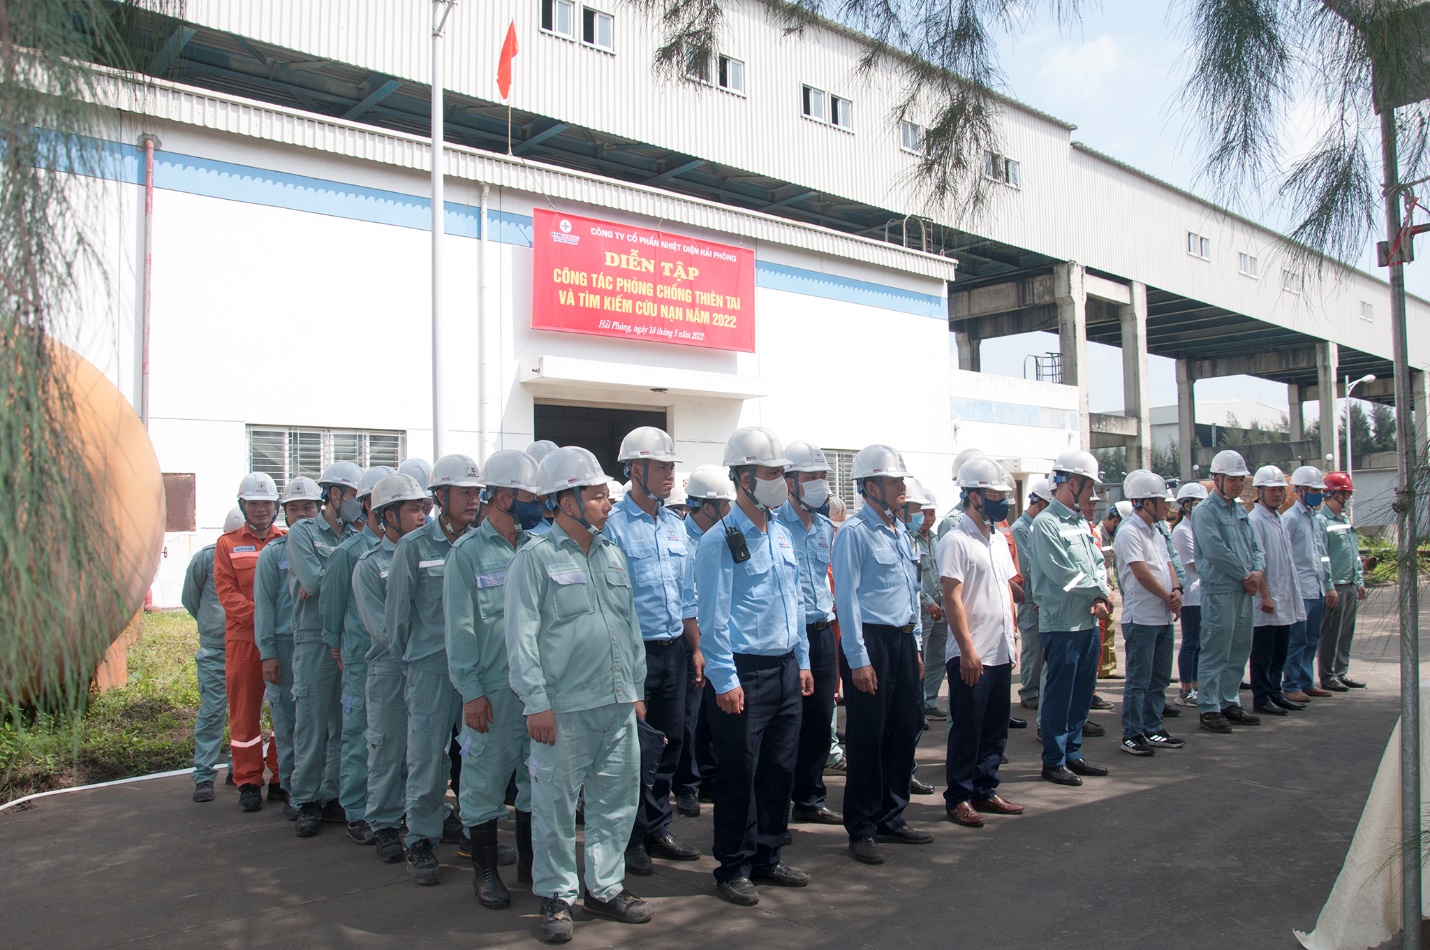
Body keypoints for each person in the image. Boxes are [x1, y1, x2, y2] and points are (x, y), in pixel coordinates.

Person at [506, 446, 652, 943]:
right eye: (596, 496)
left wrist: (635, 689)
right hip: (562, 708)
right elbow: (521, 636)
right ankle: (556, 895)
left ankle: (605, 888)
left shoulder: (612, 554)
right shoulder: (535, 559)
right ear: (566, 502)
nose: (608, 504)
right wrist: (536, 702)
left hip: (617, 703)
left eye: (607, 496)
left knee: (616, 801)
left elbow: (629, 627)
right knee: (554, 806)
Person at [695, 426, 813, 904]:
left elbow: (795, 603)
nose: (781, 482)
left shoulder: (781, 535)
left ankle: (767, 855)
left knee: (779, 769)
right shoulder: (719, 541)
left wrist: (802, 660)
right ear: (744, 478)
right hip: (743, 673)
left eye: (782, 473)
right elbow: (712, 618)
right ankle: (733, 866)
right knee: (739, 774)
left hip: (784, 669)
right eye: (771, 473)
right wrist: (725, 680)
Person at [602, 426, 704, 876]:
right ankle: (631, 838)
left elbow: (687, 598)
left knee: (670, 742)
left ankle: (658, 827)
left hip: (674, 652)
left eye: (670, 467)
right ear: (635, 470)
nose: (669, 475)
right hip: (635, 653)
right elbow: (611, 605)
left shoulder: (676, 526)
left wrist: (695, 648)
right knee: (634, 751)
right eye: (660, 467)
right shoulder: (613, 527)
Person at [445, 449, 544, 909]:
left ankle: (530, 864)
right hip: (493, 690)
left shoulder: (536, 548)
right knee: (483, 781)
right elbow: (461, 630)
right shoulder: (467, 554)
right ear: (504, 499)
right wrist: (471, 694)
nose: (539, 505)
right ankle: (485, 872)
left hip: (536, 691)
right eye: (531, 497)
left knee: (536, 778)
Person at [833, 443, 932, 865]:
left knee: (902, 733)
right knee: (867, 739)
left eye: (901, 480)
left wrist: (916, 645)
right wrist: (858, 660)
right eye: (893, 481)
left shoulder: (899, 531)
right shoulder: (854, 533)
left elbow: (910, 592)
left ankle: (892, 815)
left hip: (902, 642)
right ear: (871, 487)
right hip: (870, 642)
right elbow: (847, 600)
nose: (901, 488)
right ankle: (862, 827)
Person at [389, 453, 483, 884]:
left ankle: (475, 835)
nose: (473, 500)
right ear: (440, 496)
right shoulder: (413, 547)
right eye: (464, 492)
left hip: (475, 671)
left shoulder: (482, 544)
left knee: (477, 757)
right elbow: (397, 619)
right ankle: (421, 841)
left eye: (476, 492)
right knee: (427, 760)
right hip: (430, 670)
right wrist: (411, 665)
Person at [938, 456, 1022, 827]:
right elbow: (951, 597)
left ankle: (985, 790)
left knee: (994, 728)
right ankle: (959, 797)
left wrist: (1012, 637)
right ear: (974, 497)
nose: (1002, 502)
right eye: (995, 495)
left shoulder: (997, 539)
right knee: (967, 729)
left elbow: (1005, 587)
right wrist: (968, 651)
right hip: (972, 654)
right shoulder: (956, 540)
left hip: (1000, 649)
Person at [352, 473, 429, 864]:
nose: (422, 516)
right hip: (390, 670)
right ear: (387, 516)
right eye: (413, 509)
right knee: (387, 748)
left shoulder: (432, 555)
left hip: (428, 668)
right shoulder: (369, 566)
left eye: (424, 508)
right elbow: (382, 627)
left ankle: (426, 816)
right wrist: (418, 654)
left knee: (428, 751)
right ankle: (383, 822)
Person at [285, 460, 365, 837]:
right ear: (334, 494)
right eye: (353, 495)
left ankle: (332, 794)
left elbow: (335, 580)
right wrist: (336, 577)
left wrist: (326, 578)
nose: (358, 504)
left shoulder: (355, 534)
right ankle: (305, 798)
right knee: (312, 724)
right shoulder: (302, 532)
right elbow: (315, 583)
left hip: (346, 638)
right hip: (313, 639)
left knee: (343, 724)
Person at [1026, 449, 1113, 787]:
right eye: (1089, 486)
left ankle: (1073, 753)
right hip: (1062, 624)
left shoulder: (1080, 522)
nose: (1092, 494)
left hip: (1087, 621)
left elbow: (1097, 564)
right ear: (1072, 483)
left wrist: (1101, 593)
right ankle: (1054, 760)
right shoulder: (1045, 524)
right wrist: (1098, 593)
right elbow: (1064, 573)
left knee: (1081, 693)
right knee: (1060, 695)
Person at [319, 465, 393, 845]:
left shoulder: (404, 548)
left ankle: (390, 806)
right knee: (358, 733)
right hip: (360, 657)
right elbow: (331, 609)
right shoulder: (349, 553)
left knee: (390, 738)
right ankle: (355, 810)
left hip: (393, 660)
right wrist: (338, 646)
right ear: (368, 505)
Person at [774, 441, 842, 827]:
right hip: (789, 636)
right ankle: (776, 807)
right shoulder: (774, 525)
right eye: (811, 476)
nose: (820, 484)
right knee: (787, 725)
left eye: (823, 477)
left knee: (820, 719)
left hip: (822, 632)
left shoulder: (825, 528)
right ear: (790, 482)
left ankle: (810, 798)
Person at [213, 472, 286, 812]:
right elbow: (227, 594)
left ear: (275, 507)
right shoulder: (226, 544)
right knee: (244, 716)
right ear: (243, 505)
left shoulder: (286, 540)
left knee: (285, 712)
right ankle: (248, 781)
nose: (260, 509)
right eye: (254, 503)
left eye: (266, 503)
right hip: (244, 640)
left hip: (281, 640)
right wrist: (265, 618)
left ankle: (282, 775)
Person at [254, 476, 323, 817]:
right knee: (288, 722)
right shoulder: (273, 554)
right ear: (285, 514)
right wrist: (267, 653)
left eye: (308, 507)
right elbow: (264, 607)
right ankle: (294, 791)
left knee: (320, 723)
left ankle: (323, 790)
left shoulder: (327, 549)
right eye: (293, 509)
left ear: (320, 508)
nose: (301, 515)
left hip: (318, 643)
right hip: (284, 645)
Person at [672, 464, 735, 817]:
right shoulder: (681, 539)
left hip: (718, 635)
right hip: (688, 638)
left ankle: (710, 777)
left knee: (714, 714)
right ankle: (687, 785)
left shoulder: (725, 537)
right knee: (689, 718)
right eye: (725, 505)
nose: (730, 511)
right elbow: (687, 601)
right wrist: (697, 647)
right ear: (707, 507)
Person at [1191, 449, 1265, 734]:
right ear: (1217, 478)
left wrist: (1257, 572)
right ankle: (1209, 707)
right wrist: (1247, 575)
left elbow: (1256, 547)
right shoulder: (1205, 512)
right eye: (1232, 479)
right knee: (1215, 650)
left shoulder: (1240, 511)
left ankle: (1229, 701)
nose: (1238, 484)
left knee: (1239, 648)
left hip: (1243, 589)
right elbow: (1215, 551)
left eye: (1240, 479)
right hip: (1221, 590)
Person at [1114, 470, 1185, 756]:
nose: (1167, 506)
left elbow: (1168, 565)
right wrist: (1168, 597)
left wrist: (1176, 590)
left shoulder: (1157, 531)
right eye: (1162, 501)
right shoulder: (1129, 532)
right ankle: (1132, 733)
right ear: (1145, 502)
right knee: (1138, 681)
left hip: (1162, 616)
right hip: (1142, 618)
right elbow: (1141, 573)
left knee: (1159, 679)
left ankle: (1152, 728)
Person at [183, 506, 245, 802]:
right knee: (212, 711)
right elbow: (190, 598)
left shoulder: (259, 553)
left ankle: (238, 768)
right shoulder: (206, 558)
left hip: (245, 645)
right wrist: (211, 627)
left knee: (244, 713)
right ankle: (204, 775)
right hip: (215, 649)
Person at [1247, 465, 1306, 717]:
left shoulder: (1278, 519)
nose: (1278, 494)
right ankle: (1262, 696)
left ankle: (1275, 692)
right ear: (1259, 492)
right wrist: (1265, 594)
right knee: (1264, 652)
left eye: (1280, 490)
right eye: (1272, 490)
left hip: (1283, 596)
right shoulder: (1255, 521)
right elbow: (1256, 562)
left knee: (1280, 650)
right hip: (1267, 599)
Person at [1283, 466, 1336, 702]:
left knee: (1312, 638)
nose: (1318, 495)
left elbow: (1321, 554)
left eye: (1320, 491)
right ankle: (1291, 684)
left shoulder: (1316, 519)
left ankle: (1305, 682)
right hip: (1300, 590)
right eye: (1314, 491)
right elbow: (1284, 555)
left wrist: (1328, 584)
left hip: (1317, 588)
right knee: (1297, 640)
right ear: (1300, 490)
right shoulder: (1291, 519)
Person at [1318, 471, 1368, 692]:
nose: (1349, 498)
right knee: (1330, 633)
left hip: (1349, 584)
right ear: (1334, 494)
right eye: (1346, 494)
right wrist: (1329, 586)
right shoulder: (1322, 521)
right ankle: (1328, 676)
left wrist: (1359, 580)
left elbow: (1354, 552)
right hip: (1335, 587)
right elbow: (1323, 557)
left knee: (1346, 632)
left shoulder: (1345, 520)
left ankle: (1341, 672)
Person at [1011, 478, 1052, 712]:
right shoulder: (1021, 529)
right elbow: (1028, 567)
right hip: (1030, 598)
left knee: (1043, 648)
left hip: (1041, 597)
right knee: (1033, 647)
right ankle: (1028, 691)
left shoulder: (1038, 527)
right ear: (1041, 504)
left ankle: (1038, 689)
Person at [912, 483, 948, 721]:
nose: (928, 518)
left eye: (932, 513)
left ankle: (930, 701)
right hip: (924, 611)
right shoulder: (910, 539)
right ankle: (917, 708)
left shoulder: (937, 539)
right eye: (924, 513)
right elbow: (913, 577)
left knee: (939, 656)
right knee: (920, 659)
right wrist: (927, 602)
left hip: (942, 608)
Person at [1171, 482, 1207, 706]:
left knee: (1200, 642)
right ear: (1185, 505)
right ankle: (1186, 688)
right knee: (1191, 642)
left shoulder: (1197, 527)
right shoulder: (1182, 531)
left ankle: (1196, 684)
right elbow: (1197, 562)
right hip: (1191, 594)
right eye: (1196, 503)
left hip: (1202, 593)